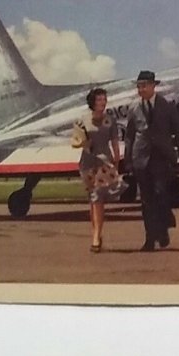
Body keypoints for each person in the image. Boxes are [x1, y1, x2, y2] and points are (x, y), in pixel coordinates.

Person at [124, 70, 179, 252]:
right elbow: (129, 136)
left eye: (144, 86)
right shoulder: (134, 108)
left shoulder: (167, 106)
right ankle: (150, 239)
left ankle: (163, 229)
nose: (140, 89)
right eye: (138, 86)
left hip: (161, 157)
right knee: (146, 200)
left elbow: (178, 132)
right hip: (141, 158)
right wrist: (128, 160)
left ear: (153, 86)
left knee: (161, 194)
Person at [71, 87, 122, 253]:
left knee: (98, 198)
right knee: (92, 200)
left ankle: (96, 237)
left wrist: (117, 160)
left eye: (104, 99)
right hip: (87, 163)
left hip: (104, 163)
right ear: (93, 101)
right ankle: (96, 234)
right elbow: (76, 140)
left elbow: (114, 141)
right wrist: (82, 142)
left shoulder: (110, 121)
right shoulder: (82, 121)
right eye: (99, 99)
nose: (103, 102)